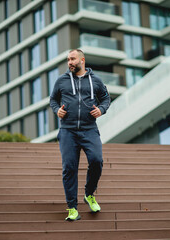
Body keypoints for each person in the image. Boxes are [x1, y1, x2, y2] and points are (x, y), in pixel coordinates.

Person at [50, 49, 111, 221]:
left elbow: (106, 99)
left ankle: (89, 194)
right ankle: (72, 208)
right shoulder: (61, 81)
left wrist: (102, 109)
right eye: (68, 59)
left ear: (82, 60)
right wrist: (57, 111)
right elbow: (53, 100)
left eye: (72, 59)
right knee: (69, 168)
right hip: (67, 131)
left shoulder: (96, 81)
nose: (69, 62)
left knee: (97, 161)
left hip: (89, 129)